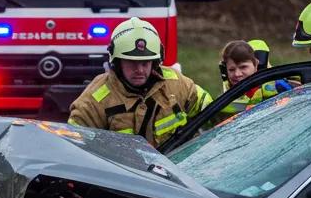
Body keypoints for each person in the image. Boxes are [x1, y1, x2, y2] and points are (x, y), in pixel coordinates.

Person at [68, 17, 212, 148]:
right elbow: (75, 149)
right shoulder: (95, 100)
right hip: (123, 175)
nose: (140, 70)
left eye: (145, 63)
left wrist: (231, 88)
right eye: (132, 63)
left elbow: (213, 111)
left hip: (181, 169)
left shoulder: (177, 84)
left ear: (155, 62)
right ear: (117, 62)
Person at [217, 39, 291, 115]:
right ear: (225, 71)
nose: (237, 74)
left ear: (256, 65)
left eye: (243, 67)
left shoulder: (277, 87)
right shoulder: (224, 100)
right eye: (231, 70)